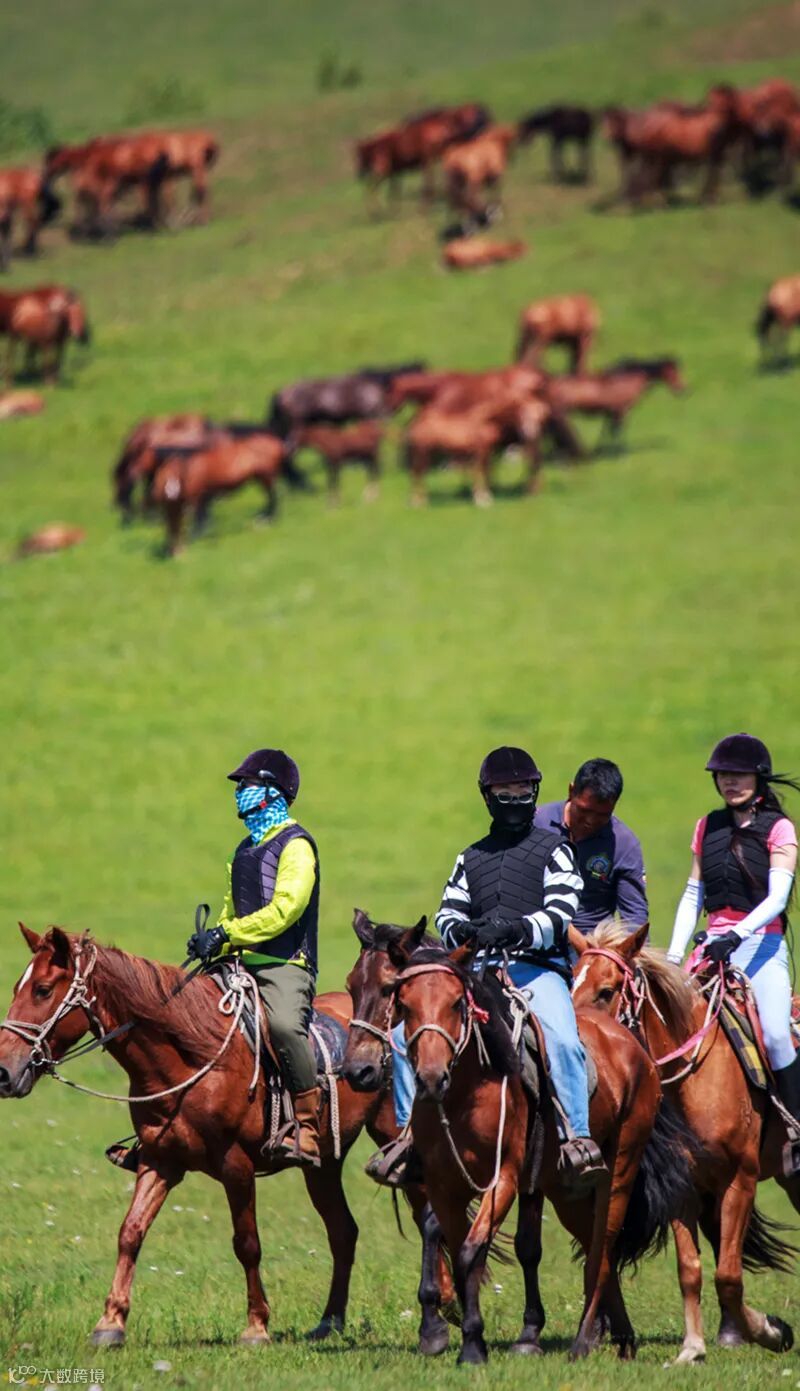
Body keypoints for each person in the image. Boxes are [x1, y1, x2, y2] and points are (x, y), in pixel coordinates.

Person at [366, 745, 607, 1192]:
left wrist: (515, 929)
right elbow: (447, 913)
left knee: (562, 1040)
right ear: (487, 796)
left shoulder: (557, 850)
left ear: (535, 793)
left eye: (522, 791)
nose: (514, 799)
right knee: (401, 1038)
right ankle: (408, 1138)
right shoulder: (469, 857)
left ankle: (577, 1136)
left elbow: (560, 913)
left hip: (538, 970)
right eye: (504, 792)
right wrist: (462, 930)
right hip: (477, 971)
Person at [667, 733, 800, 1171]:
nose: (730, 782)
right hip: (712, 948)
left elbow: (777, 898)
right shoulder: (707, 826)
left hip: (761, 945)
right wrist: (673, 960)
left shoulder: (780, 829)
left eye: (739, 774)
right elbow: (693, 894)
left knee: (776, 1034)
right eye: (724, 774)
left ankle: (796, 1128)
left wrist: (737, 935)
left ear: (758, 778)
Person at [185, 747, 322, 1167]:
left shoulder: (297, 846)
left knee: (283, 1027)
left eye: (247, 784)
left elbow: (285, 910)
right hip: (240, 963)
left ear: (274, 792)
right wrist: (214, 940)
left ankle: (307, 1126)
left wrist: (228, 934)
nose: (239, 791)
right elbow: (233, 911)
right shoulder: (243, 850)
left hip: (285, 966)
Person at [535, 757, 649, 934]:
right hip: (537, 932)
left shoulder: (624, 845)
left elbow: (634, 916)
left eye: (602, 815)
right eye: (584, 810)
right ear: (571, 791)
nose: (590, 821)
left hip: (593, 943)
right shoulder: (536, 824)